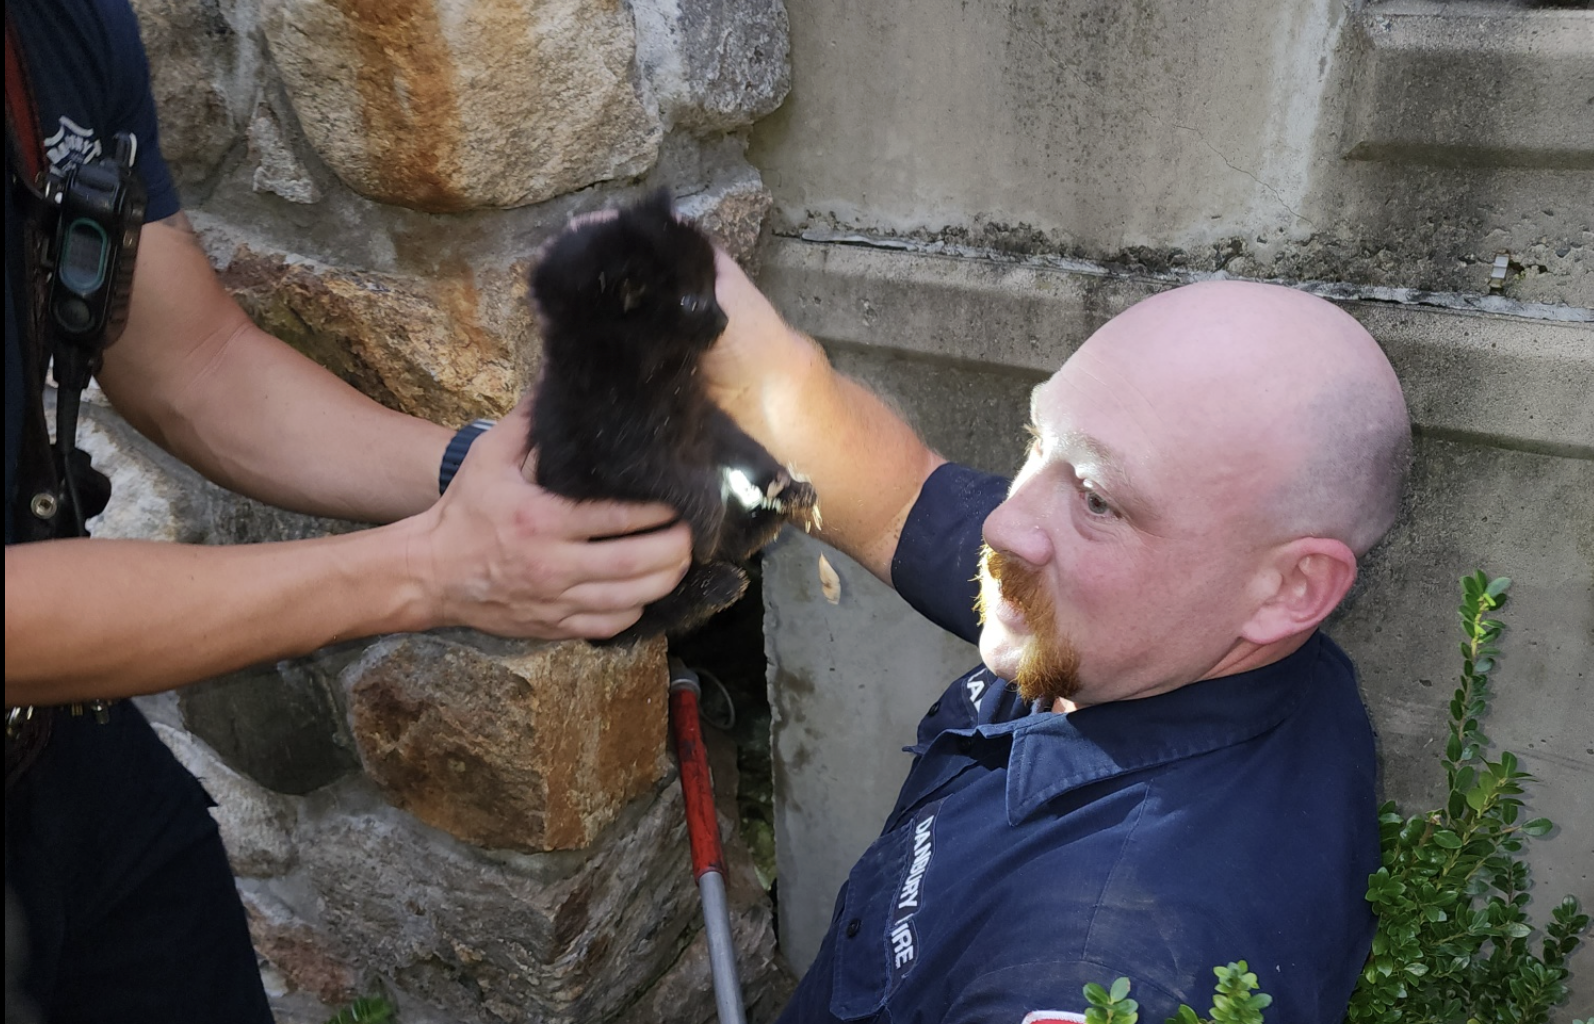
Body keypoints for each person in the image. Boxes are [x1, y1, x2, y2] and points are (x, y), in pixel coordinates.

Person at [4, 0, 691, 1018]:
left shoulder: (60, 28)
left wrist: (473, 468)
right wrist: (432, 568)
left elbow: (194, 362)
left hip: (65, 766)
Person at [699, 250, 1410, 1022]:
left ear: (1291, 589)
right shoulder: (1177, 637)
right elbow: (904, 501)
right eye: (1038, 441)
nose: (1007, 523)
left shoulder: (1105, 969)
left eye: (1098, 500)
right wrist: (752, 359)